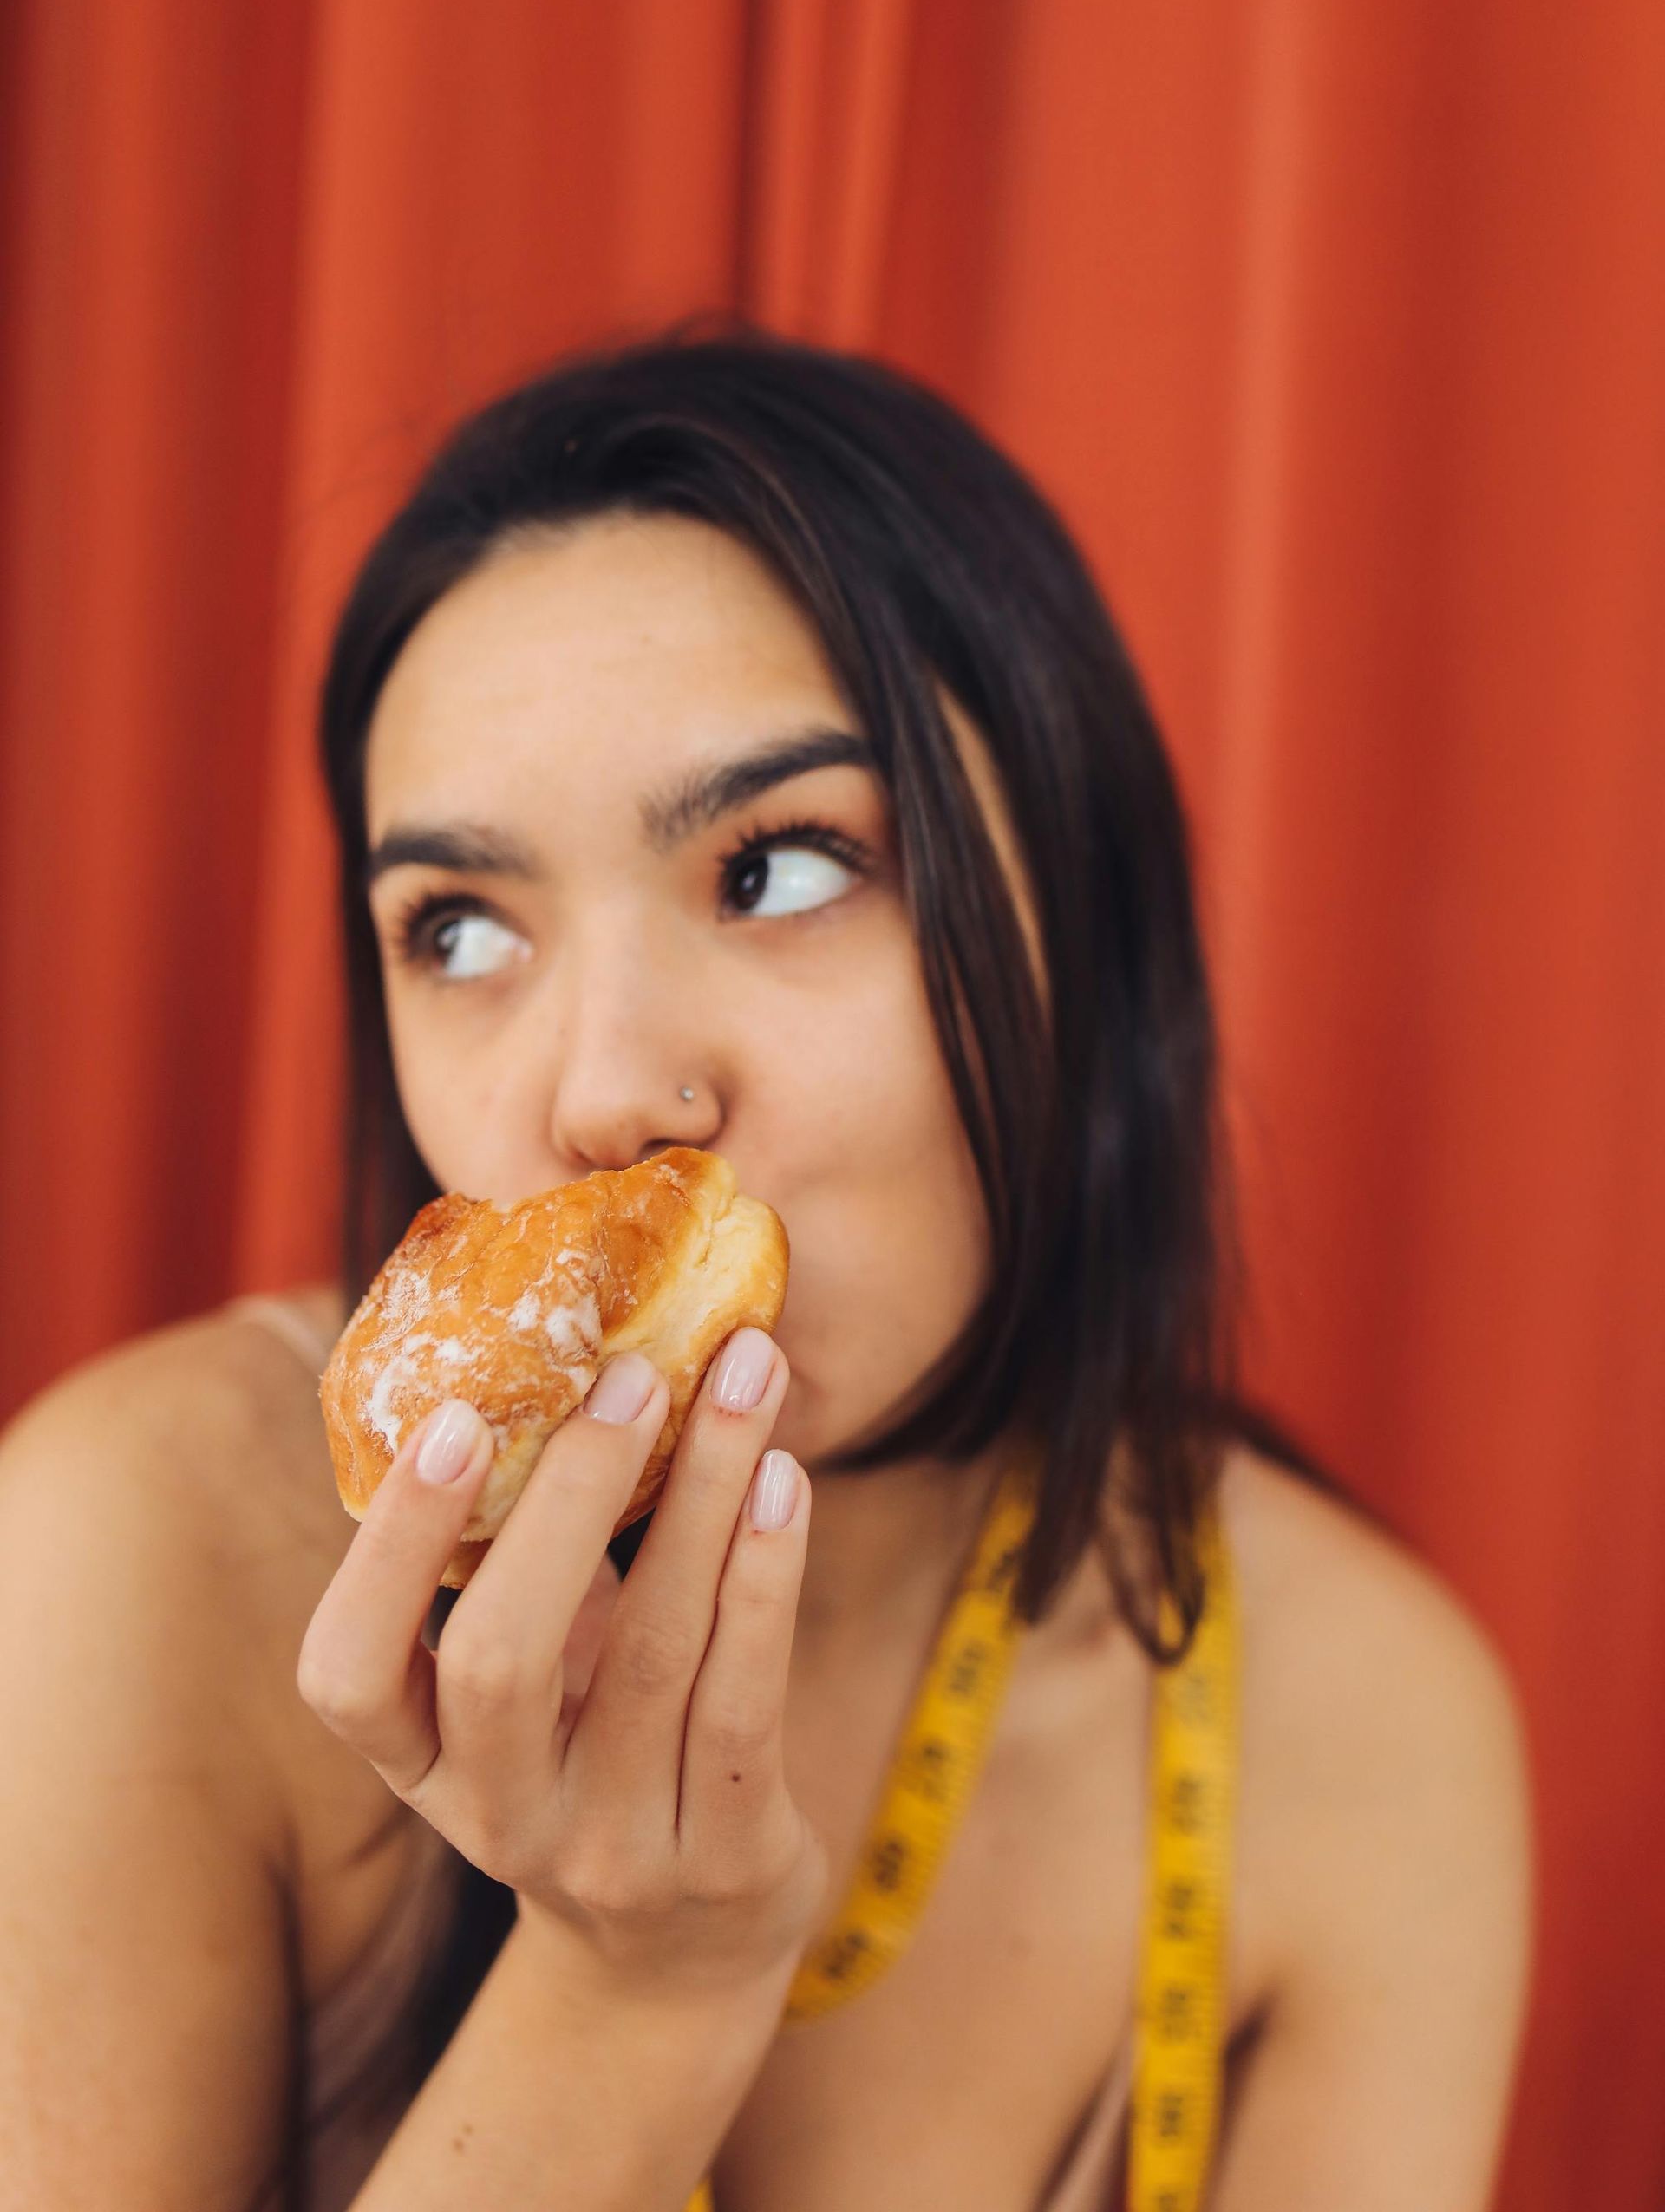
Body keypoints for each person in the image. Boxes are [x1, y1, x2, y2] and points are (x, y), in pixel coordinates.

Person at [0, 323, 1531, 2210]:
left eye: (783, 866)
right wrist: (631, 1994)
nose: (607, 1090)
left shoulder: (1358, 1724)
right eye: (461, 928)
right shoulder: (141, 1554)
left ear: (1091, 924)